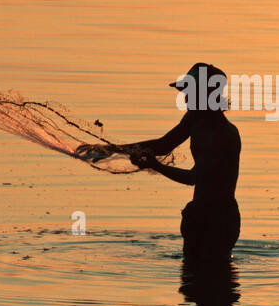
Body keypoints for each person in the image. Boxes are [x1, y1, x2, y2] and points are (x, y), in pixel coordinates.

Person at [80, 63, 241, 261]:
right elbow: (164, 145)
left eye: (190, 92)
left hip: (219, 221)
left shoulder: (223, 134)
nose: (185, 97)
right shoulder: (195, 118)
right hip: (198, 214)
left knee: (213, 278)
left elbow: (193, 177)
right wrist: (111, 150)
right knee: (192, 282)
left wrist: (156, 166)